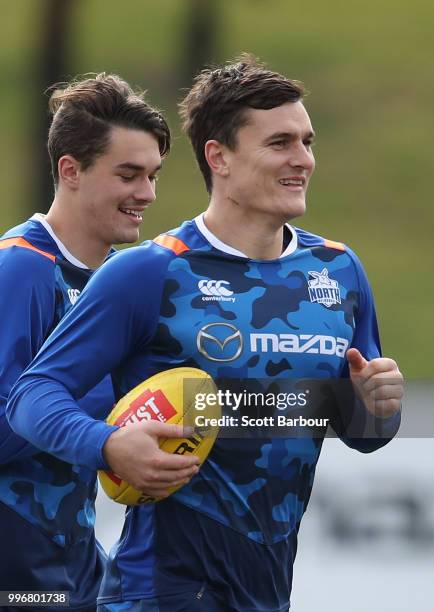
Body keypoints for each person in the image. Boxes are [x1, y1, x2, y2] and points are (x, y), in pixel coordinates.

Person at [7, 56, 403, 612]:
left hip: (270, 585)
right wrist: (108, 443)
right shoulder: (148, 271)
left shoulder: (339, 271)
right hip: (166, 585)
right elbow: (30, 395)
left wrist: (376, 410)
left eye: (307, 141)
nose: (303, 160)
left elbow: (358, 428)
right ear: (218, 157)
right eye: (280, 143)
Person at [0, 73, 198, 611]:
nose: (147, 195)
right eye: (129, 175)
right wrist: (105, 426)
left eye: (154, 176)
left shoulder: (113, 280)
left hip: (69, 557)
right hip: (16, 569)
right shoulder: (23, 268)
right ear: (71, 170)